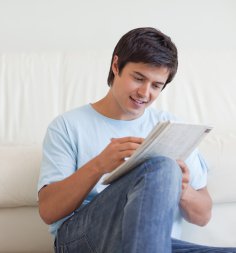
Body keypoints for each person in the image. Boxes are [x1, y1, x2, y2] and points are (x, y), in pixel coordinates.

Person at [37, 27, 236, 253]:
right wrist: (99, 165)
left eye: (156, 85)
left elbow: (203, 216)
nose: (144, 92)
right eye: (138, 78)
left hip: (156, 244)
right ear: (116, 66)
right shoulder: (67, 126)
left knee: (165, 169)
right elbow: (48, 211)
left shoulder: (172, 129)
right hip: (83, 241)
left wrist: (181, 188)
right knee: (160, 165)